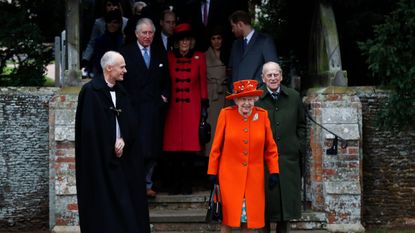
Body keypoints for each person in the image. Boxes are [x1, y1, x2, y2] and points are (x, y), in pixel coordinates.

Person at [75, 51, 150, 233]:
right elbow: (89, 131)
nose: (125, 70)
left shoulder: (122, 91)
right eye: (122, 66)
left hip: (123, 158)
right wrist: (109, 145)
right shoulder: (91, 92)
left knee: (128, 201)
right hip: (101, 161)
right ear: (109, 68)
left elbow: (132, 122)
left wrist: (124, 139)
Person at [207, 79, 280, 233]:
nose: (247, 103)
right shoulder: (226, 115)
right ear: (236, 100)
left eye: (250, 99)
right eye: (243, 99)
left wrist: (274, 171)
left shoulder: (262, 116)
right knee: (227, 221)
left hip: (254, 179)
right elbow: (216, 147)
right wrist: (212, 172)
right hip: (229, 178)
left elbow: (271, 148)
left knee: (248, 221)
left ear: (255, 99)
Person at [120, 18, 169, 198]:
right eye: (144, 33)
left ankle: (147, 183)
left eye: (150, 33)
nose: (147, 36)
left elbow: (166, 80)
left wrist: (165, 97)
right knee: (136, 148)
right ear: (136, 34)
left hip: (154, 110)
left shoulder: (159, 52)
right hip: (134, 109)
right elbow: (120, 81)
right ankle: (136, 184)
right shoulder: (125, 53)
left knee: (153, 149)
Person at [256, 62, 306, 233]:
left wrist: (297, 144)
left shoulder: (293, 96)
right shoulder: (256, 99)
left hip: (288, 159)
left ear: (281, 76)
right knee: (265, 207)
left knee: (286, 208)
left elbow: (302, 125)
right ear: (263, 78)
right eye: (269, 75)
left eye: (276, 74)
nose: (273, 78)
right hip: (263, 160)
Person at [163, 23, 208, 195]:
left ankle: (187, 184)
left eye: (187, 40)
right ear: (176, 42)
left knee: (189, 150)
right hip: (173, 109)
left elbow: (203, 82)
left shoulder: (199, 57)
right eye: (181, 40)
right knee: (173, 150)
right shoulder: (169, 58)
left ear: (192, 42)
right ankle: (174, 185)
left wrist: (204, 105)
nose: (184, 43)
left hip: (192, 109)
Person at [228, 10, 278, 86]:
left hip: (258, 95)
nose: (232, 30)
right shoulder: (235, 44)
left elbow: (273, 71)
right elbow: (231, 71)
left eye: (233, 26)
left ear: (240, 24)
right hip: (237, 96)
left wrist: (253, 88)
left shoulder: (265, 41)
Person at [81, 0, 129, 74]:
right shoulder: (99, 23)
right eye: (109, 5)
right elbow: (92, 43)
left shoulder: (126, 22)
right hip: (103, 56)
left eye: (115, 5)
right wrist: (85, 60)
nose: (112, 7)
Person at [204, 26, 228, 154]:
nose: (217, 41)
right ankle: (210, 156)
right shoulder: (204, 56)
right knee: (212, 127)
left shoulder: (228, 54)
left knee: (225, 127)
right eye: (213, 39)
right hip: (212, 95)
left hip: (225, 95)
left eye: (219, 38)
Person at [92, 9, 124, 75]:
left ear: (119, 24)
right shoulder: (100, 41)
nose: (111, 25)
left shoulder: (124, 41)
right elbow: (98, 62)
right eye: (109, 22)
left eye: (115, 22)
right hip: (104, 75)